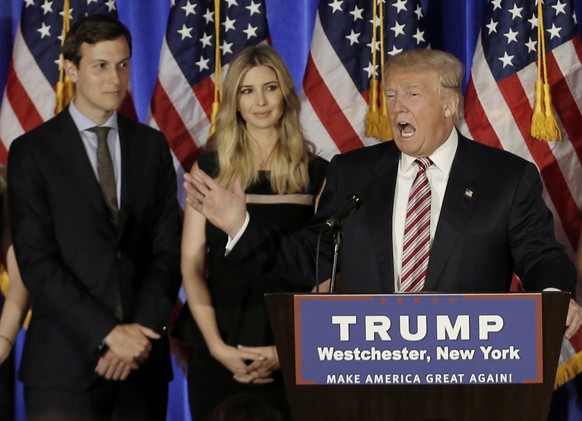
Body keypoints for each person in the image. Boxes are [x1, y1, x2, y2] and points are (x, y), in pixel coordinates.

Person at [184, 48, 582, 337]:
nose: (396, 107)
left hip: (467, 378)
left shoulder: (506, 178)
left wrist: (551, 299)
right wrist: (240, 224)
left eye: (412, 94)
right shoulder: (354, 173)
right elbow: (311, 258)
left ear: (449, 104)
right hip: (370, 383)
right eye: (390, 95)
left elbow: (540, 254)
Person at [7, 14, 181, 420]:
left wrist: (137, 334)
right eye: (100, 66)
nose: (115, 79)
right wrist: (108, 333)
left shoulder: (152, 147)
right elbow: (36, 260)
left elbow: (167, 252)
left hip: (141, 364)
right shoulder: (32, 152)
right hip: (63, 367)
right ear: (71, 69)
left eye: (122, 64)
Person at [175, 44, 328, 420]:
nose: (260, 101)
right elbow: (192, 265)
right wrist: (215, 346)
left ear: (285, 95)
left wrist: (291, 349)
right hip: (220, 345)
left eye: (270, 88)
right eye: (247, 90)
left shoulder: (320, 172)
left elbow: (326, 274)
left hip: (292, 349)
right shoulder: (209, 169)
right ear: (235, 102)